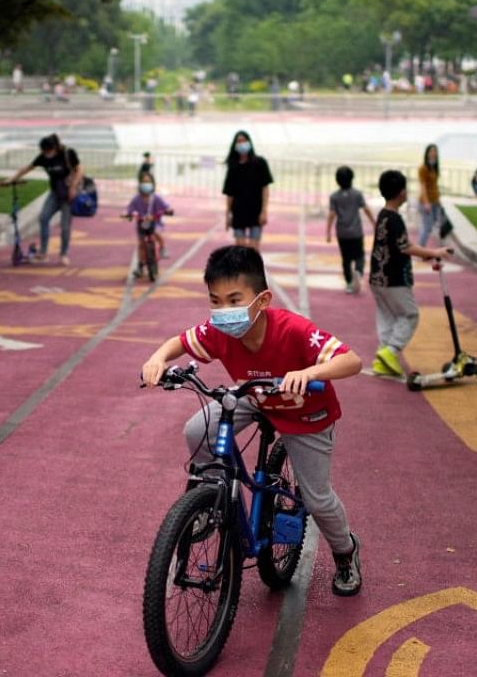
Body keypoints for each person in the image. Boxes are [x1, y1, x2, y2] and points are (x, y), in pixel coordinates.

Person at [139, 245, 365, 597]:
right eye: (215, 301)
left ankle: (345, 552)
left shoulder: (293, 329)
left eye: (233, 300)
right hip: (256, 395)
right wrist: (157, 358)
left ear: (262, 300)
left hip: (306, 413)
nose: (223, 311)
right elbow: (179, 342)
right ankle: (208, 494)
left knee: (318, 499)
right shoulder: (219, 333)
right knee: (198, 428)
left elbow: (351, 361)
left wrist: (308, 372)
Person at [369, 170, 451, 376]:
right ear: (401, 193)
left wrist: (424, 254)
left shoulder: (382, 215)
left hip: (377, 277)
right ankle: (392, 350)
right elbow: (405, 247)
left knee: (387, 316)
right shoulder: (395, 219)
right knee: (410, 314)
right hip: (394, 279)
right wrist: (433, 252)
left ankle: (383, 357)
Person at [0, 134, 83, 265]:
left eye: (48, 151)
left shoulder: (67, 154)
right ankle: (43, 253)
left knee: (65, 226)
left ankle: (63, 255)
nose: (45, 153)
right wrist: (12, 179)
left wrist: (73, 187)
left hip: (68, 195)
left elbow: (79, 170)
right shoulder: (43, 157)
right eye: (43, 151)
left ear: (54, 148)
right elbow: (27, 168)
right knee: (43, 218)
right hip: (55, 193)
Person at [326, 166, 376, 294]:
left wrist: (328, 231)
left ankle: (349, 283)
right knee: (359, 255)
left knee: (346, 259)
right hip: (356, 232)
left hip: (342, 233)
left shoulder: (334, 197)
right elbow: (366, 209)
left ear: (337, 180)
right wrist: (374, 223)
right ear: (352, 178)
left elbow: (332, 214)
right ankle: (358, 271)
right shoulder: (357, 194)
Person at [222, 130, 273, 251]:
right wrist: (228, 215)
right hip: (238, 212)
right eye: (239, 141)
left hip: (256, 211)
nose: (242, 144)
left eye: (244, 141)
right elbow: (230, 194)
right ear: (235, 145)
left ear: (249, 142)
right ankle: (242, 270)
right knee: (240, 248)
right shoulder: (233, 166)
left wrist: (264, 211)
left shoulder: (260, 163)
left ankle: (253, 270)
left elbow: (265, 188)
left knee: (253, 249)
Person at [125, 171, 173, 277]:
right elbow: (130, 209)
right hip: (141, 225)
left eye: (148, 182)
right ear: (140, 184)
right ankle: (140, 265)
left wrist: (169, 210)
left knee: (156, 232)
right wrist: (128, 214)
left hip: (154, 223)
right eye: (143, 182)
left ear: (152, 183)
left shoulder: (156, 198)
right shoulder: (136, 199)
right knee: (141, 244)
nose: (146, 184)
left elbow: (166, 206)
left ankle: (162, 247)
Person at [416, 144, 445, 247]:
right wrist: (426, 202)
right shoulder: (423, 168)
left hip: (434, 201)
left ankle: (421, 246)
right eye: (431, 151)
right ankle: (420, 248)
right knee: (427, 227)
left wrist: (438, 199)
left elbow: (434, 185)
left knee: (431, 224)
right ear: (427, 153)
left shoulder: (434, 167)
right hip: (426, 202)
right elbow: (423, 187)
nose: (433, 153)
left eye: (435, 151)